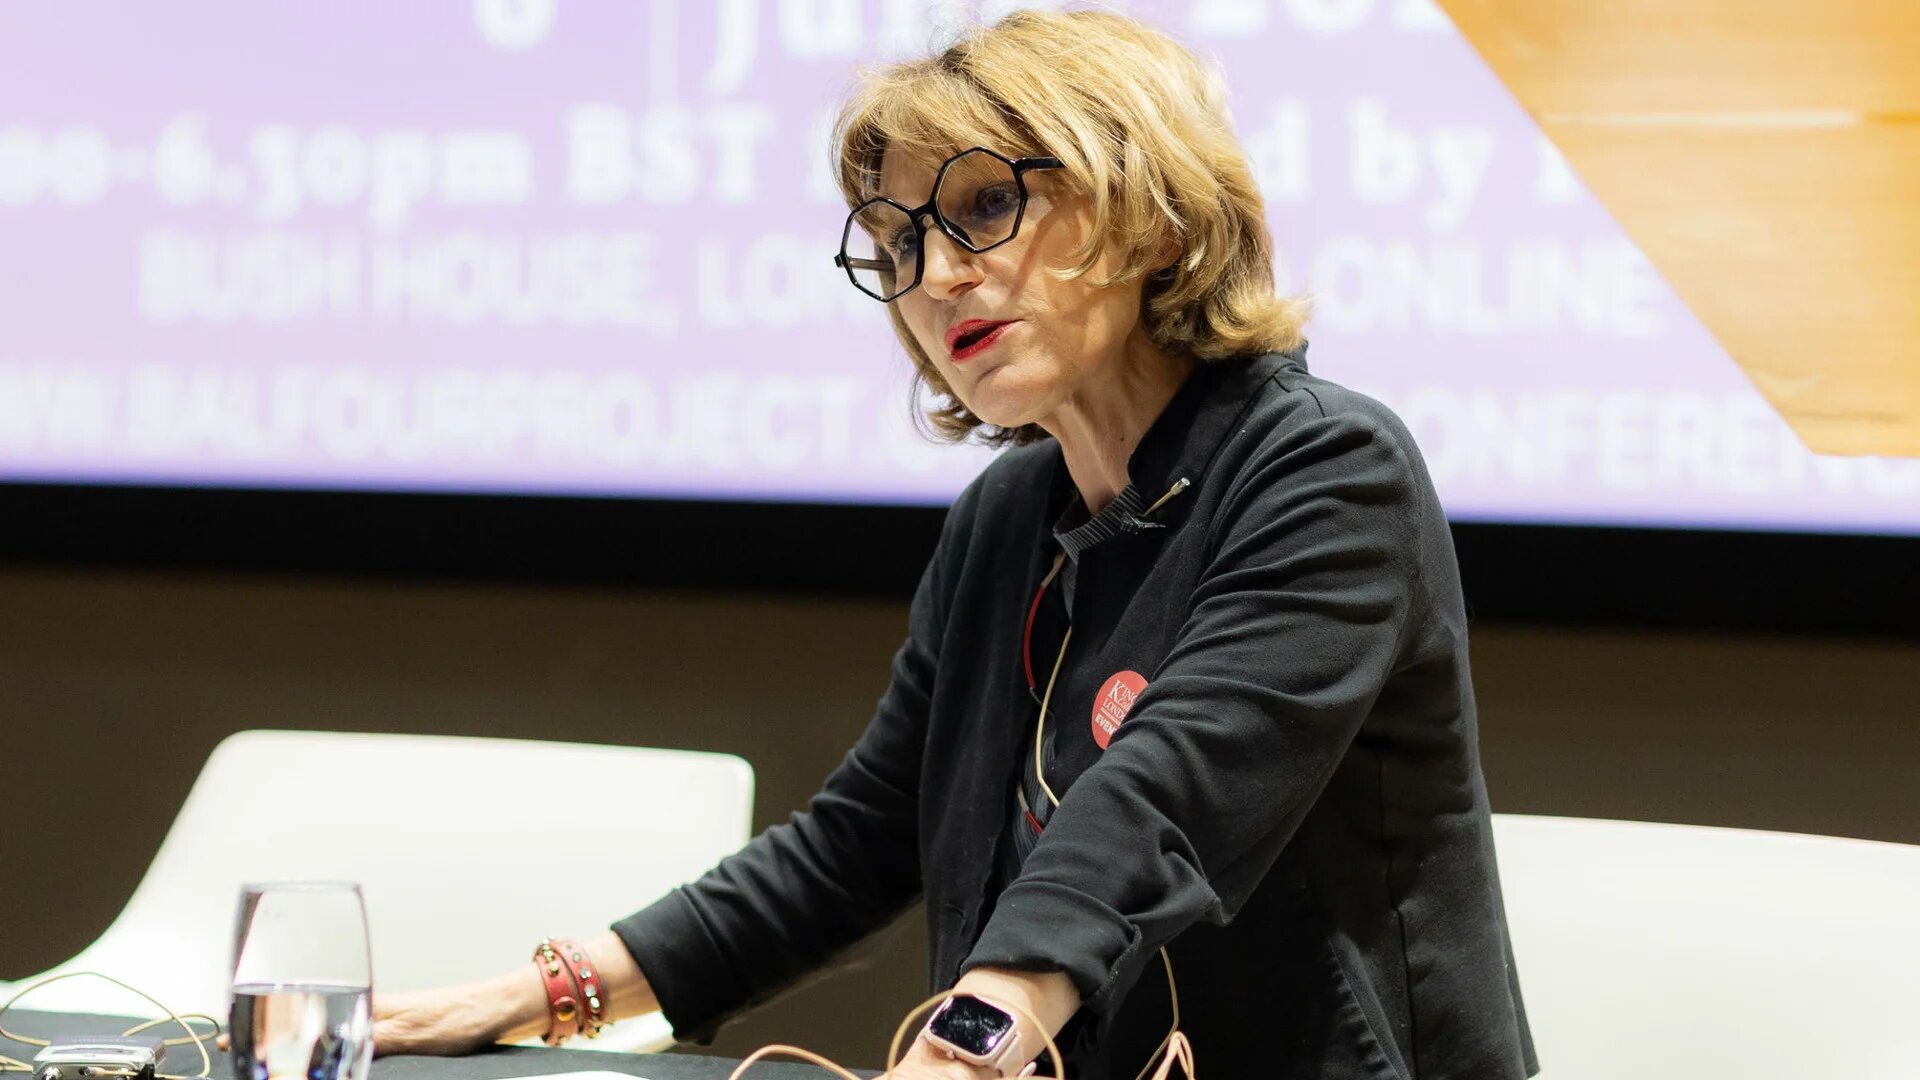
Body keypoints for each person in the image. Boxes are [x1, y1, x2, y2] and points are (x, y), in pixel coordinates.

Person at [375, 11, 1536, 1079]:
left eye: (987, 208)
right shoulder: (1008, 517)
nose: (934, 277)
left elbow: (1159, 805)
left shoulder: (1325, 469)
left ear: (1152, 206)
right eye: (894, 242)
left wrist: (965, 1044)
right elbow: (854, 847)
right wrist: (532, 997)